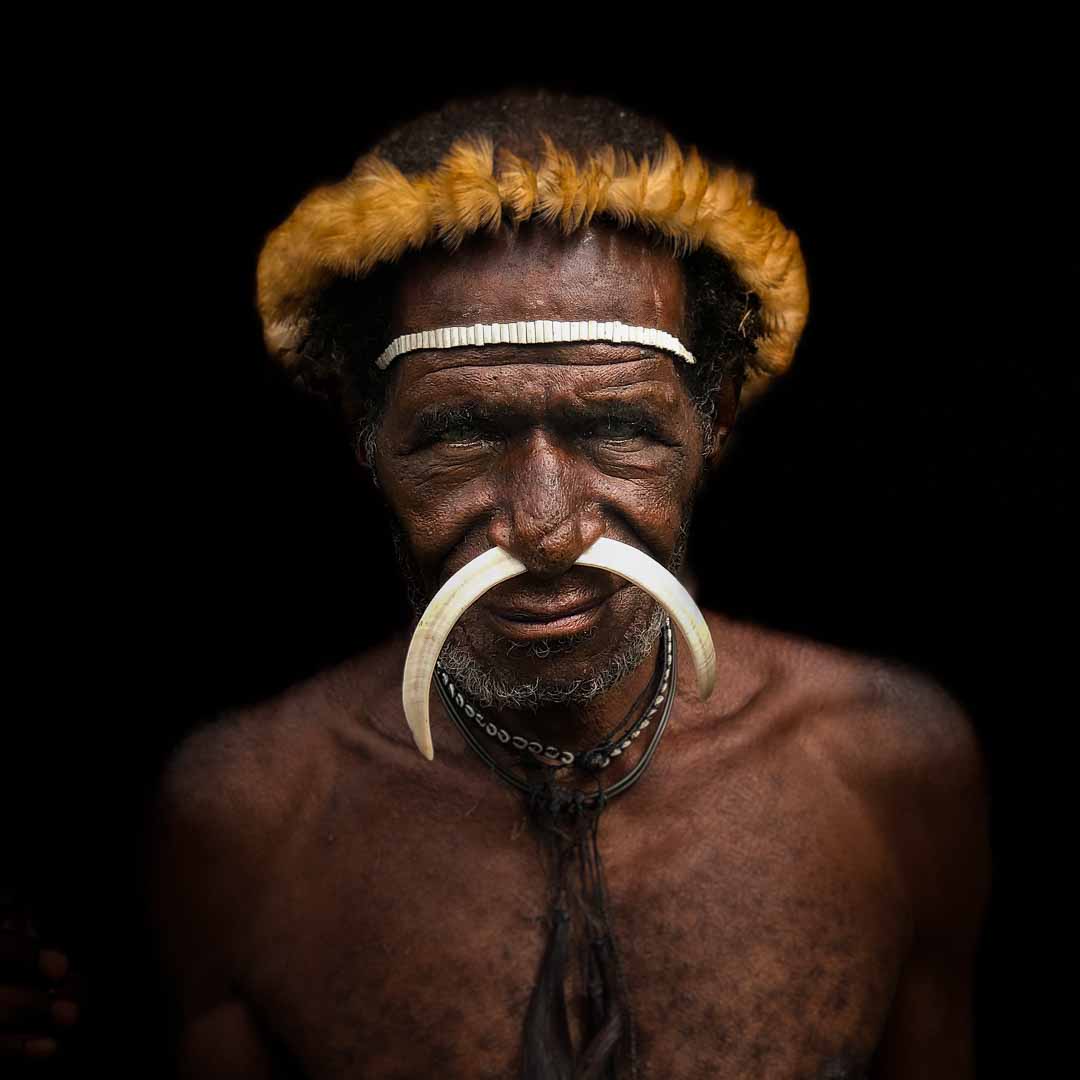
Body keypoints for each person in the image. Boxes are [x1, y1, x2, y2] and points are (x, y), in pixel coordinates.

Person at [145, 89, 988, 1079]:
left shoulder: (889, 779)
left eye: (618, 429)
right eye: (462, 434)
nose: (546, 529)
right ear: (365, 432)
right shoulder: (247, 828)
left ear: (713, 423)